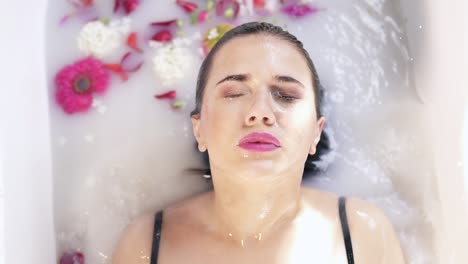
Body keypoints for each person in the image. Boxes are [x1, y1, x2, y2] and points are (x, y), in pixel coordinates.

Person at [112, 21, 405, 264]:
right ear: (199, 129)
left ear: (316, 133)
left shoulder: (361, 232)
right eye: (234, 93)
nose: (260, 113)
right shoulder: (145, 245)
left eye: (286, 95)